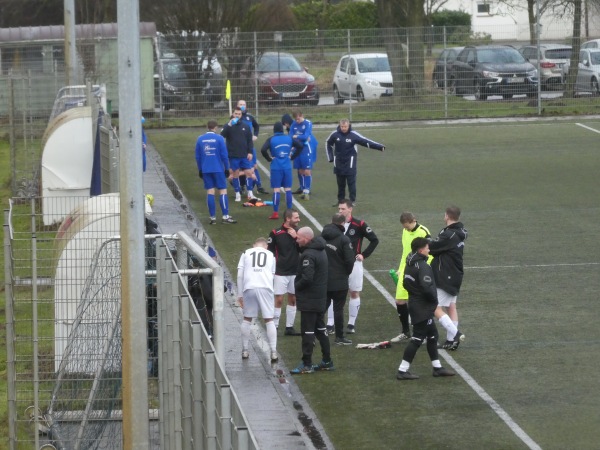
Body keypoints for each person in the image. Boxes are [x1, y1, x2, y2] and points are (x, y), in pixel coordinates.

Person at [396, 237, 455, 380]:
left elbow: (404, 283)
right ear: (421, 249)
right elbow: (427, 288)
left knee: (433, 335)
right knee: (417, 338)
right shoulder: (423, 266)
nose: (429, 249)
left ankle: (437, 368)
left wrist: (415, 294)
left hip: (416, 304)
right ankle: (402, 370)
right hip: (422, 307)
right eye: (428, 247)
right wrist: (433, 301)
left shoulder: (410, 262)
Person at [291, 226, 333, 374]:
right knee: (321, 330)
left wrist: (296, 286)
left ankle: (307, 363)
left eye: (298, 238)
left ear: (306, 238)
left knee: (308, 332)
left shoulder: (308, 255)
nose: (296, 240)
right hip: (320, 297)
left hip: (310, 299)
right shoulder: (321, 250)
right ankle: (327, 361)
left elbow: (307, 278)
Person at [334, 199, 379, 334]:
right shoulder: (334, 225)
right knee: (334, 292)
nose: (340, 211)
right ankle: (330, 324)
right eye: (339, 209)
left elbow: (374, 240)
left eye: (343, 209)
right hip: (337, 264)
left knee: (354, 292)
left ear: (350, 209)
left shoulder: (359, 224)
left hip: (354, 264)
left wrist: (363, 255)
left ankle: (351, 324)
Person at [428, 206, 468, 350]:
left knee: (434, 306)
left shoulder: (449, 235)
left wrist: (427, 240)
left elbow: (431, 248)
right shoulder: (459, 231)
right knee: (451, 306)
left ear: (447, 216)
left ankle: (455, 334)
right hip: (455, 273)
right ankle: (451, 341)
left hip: (446, 274)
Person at [391, 212, 431, 343]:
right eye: (404, 227)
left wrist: (423, 270)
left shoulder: (423, 232)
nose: (406, 229)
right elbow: (405, 252)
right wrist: (400, 269)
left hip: (418, 272)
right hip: (405, 270)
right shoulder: (405, 231)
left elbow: (430, 254)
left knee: (418, 304)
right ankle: (405, 332)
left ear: (413, 221)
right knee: (400, 301)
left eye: (407, 226)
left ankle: (423, 333)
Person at [326, 119, 385, 206]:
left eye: (345, 126)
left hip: (350, 163)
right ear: (339, 126)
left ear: (348, 125)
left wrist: (379, 147)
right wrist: (330, 157)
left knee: (351, 184)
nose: (343, 128)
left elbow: (366, 141)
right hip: (338, 163)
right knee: (340, 184)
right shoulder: (335, 134)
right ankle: (340, 201)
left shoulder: (353, 135)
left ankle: (352, 201)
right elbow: (328, 143)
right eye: (342, 126)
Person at [237, 237, 278, 362]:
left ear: (254, 245)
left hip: (249, 287)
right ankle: (273, 352)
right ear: (266, 246)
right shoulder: (271, 255)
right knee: (269, 319)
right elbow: (272, 275)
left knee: (247, 319)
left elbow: (240, 275)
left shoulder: (246, 253)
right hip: (265, 287)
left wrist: (240, 295)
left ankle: (245, 350)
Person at [321, 213, 355, 345]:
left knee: (321, 308)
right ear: (343, 223)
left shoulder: (321, 237)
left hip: (323, 280)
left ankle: (315, 333)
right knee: (338, 309)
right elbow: (349, 260)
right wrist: (345, 273)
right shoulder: (344, 239)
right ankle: (339, 337)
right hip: (339, 280)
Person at [195, 120, 237, 224]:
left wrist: (200, 169)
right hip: (218, 169)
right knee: (222, 191)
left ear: (207, 127)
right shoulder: (219, 139)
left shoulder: (200, 139)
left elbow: (198, 157)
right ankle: (225, 216)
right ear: (216, 127)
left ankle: (212, 218)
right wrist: (226, 168)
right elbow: (224, 155)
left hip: (205, 169)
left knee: (210, 192)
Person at [267, 208, 301, 335]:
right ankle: (274, 326)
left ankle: (289, 327)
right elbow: (269, 252)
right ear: (288, 219)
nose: (299, 220)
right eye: (296, 217)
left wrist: (296, 237)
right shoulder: (275, 233)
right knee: (279, 299)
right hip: (280, 272)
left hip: (295, 271)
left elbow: (305, 248)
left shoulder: (299, 232)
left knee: (293, 299)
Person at [260, 122, 303, 220]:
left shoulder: (271, 139)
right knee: (288, 189)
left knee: (276, 189)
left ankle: (275, 213)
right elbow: (300, 146)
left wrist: (269, 159)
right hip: (287, 166)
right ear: (282, 129)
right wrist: (292, 156)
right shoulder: (289, 138)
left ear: (274, 130)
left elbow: (263, 150)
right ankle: (289, 212)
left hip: (276, 167)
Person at [220, 106, 256, 202]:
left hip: (244, 155)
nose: (237, 115)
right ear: (233, 114)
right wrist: (229, 125)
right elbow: (221, 136)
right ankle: (237, 194)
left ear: (241, 115)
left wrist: (250, 152)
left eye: (239, 114)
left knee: (249, 173)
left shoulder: (245, 126)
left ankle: (250, 193)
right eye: (236, 114)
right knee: (235, 174)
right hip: (233, 155)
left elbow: (249, 141)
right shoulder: (228, 126)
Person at [237, 99, 269, 195]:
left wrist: (255, 135)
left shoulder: (250, 117)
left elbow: (256, 126)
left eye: (244, 104)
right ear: (237, 106)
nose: (242, 106)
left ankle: (259, 186)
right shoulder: (235, 118)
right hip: (239, 148)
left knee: (254, 166)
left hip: (250, 146)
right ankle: (242, 186)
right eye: (240, 104)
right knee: (241, 167)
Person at [289, 110, 315, 200]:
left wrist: (296, 136)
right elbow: (290, 135)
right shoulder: (293, 124)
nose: (297, 121)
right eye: (296, 119)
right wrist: (300, 137)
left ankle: (307, 190)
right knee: (300, 170)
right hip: (297, 149)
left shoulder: (308, 123)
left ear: (302, 115)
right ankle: (303, 188)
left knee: (307, 170)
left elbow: (306, 135)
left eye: (298, 119)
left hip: (306, 149)